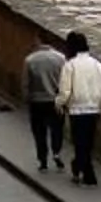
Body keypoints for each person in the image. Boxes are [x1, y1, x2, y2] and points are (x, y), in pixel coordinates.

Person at [56, 29, 101, 185]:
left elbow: (65, 90)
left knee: (79, 142)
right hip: (94, 108)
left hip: (76, 109)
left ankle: (82, 169)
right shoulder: (98, 65)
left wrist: (59, 103)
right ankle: (85, 170)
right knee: (88, 142)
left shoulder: (70, 66)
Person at [22, 34, 68, 172]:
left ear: (38, 40)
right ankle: (56, 152)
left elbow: (26, 83)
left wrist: (27, 99)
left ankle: (43, 161)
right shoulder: (61, 58)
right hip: (56, 101)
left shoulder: (30, 59)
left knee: (39, 132)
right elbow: (65, 81)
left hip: (37, 101)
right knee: (57, 129)